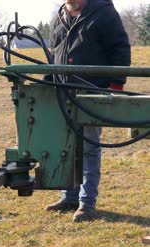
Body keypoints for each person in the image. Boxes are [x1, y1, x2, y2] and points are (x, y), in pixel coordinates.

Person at [45, 0, 131, 222]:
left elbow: (120, 49)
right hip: (63, 91)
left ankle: (87, 203)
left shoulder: (103, 13)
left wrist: (115, 85)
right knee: (67, 145)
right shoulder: (59, 17)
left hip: (92, 91)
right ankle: (69, 196)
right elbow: (53, 53)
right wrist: (47, 81)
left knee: (90, 147)